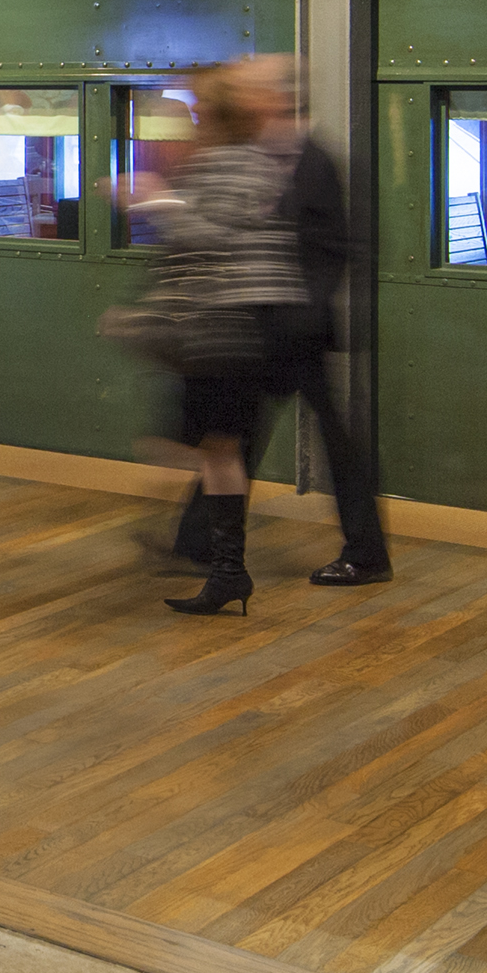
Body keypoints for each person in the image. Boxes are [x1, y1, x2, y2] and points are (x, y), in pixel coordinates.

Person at [123, 62, 309, 618]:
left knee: (211, 447)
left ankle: (227, 569)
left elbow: (216, 239)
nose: (193, 119)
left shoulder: (238, 165)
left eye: (201, 110)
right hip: (221, 329)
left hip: (227, 331)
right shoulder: (229, 162)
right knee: (218, 450)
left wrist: (157, 201)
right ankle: (228, 571)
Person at [261, 58, 390, 587]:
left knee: (242, 430)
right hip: (285, 324)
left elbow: (337, 248)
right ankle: (197, 539)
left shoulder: (312, 161)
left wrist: (300, 308)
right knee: (237, 431)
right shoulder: (285, 157)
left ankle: (367, 552)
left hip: (295, 328)